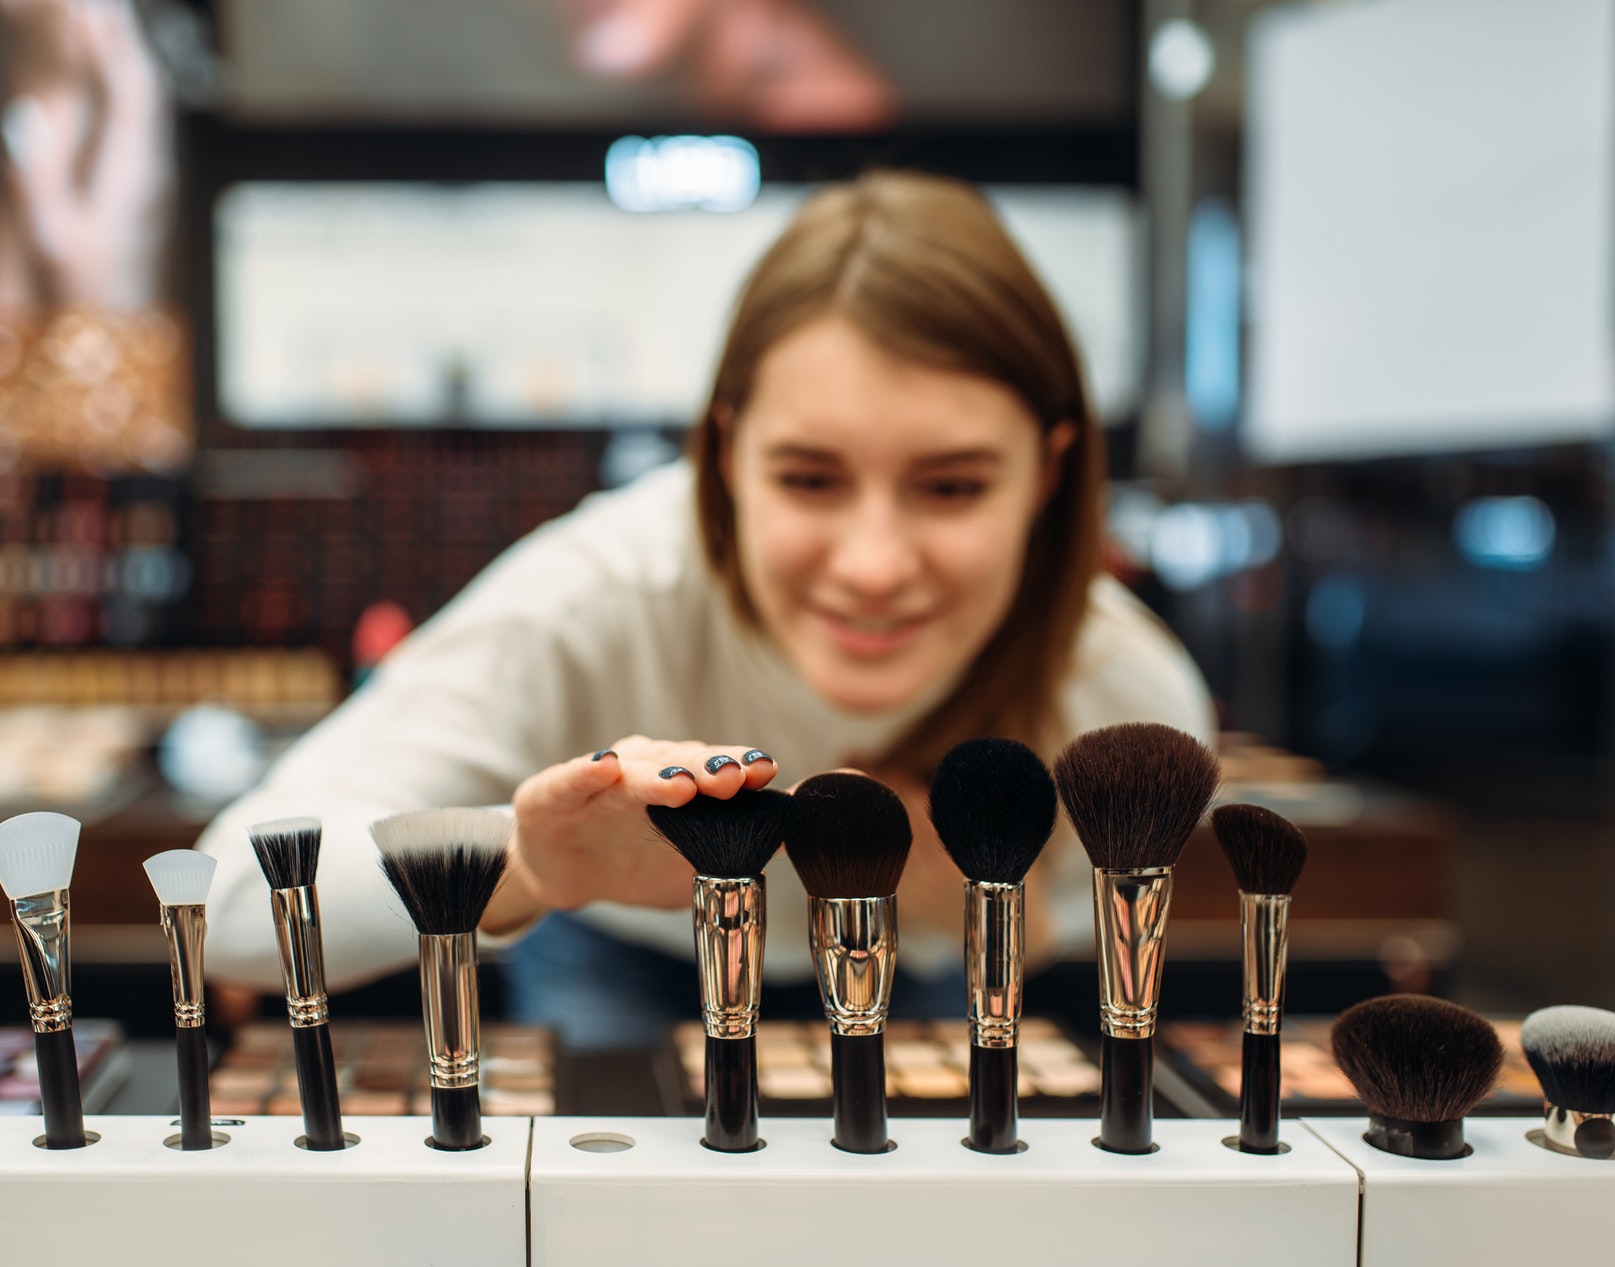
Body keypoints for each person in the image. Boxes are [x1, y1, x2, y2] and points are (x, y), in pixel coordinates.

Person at [196, 170, 1214, 1048]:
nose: (870, 566)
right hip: (623, 959)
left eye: (950, 488)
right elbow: (232, 900)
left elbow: (1114, 905)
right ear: (723, 457)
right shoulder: (594, 595)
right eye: (808, 480)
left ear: (1047, 470)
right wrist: (528, 863)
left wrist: (1001, 908)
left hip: (933, 962)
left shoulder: (1122, 684)